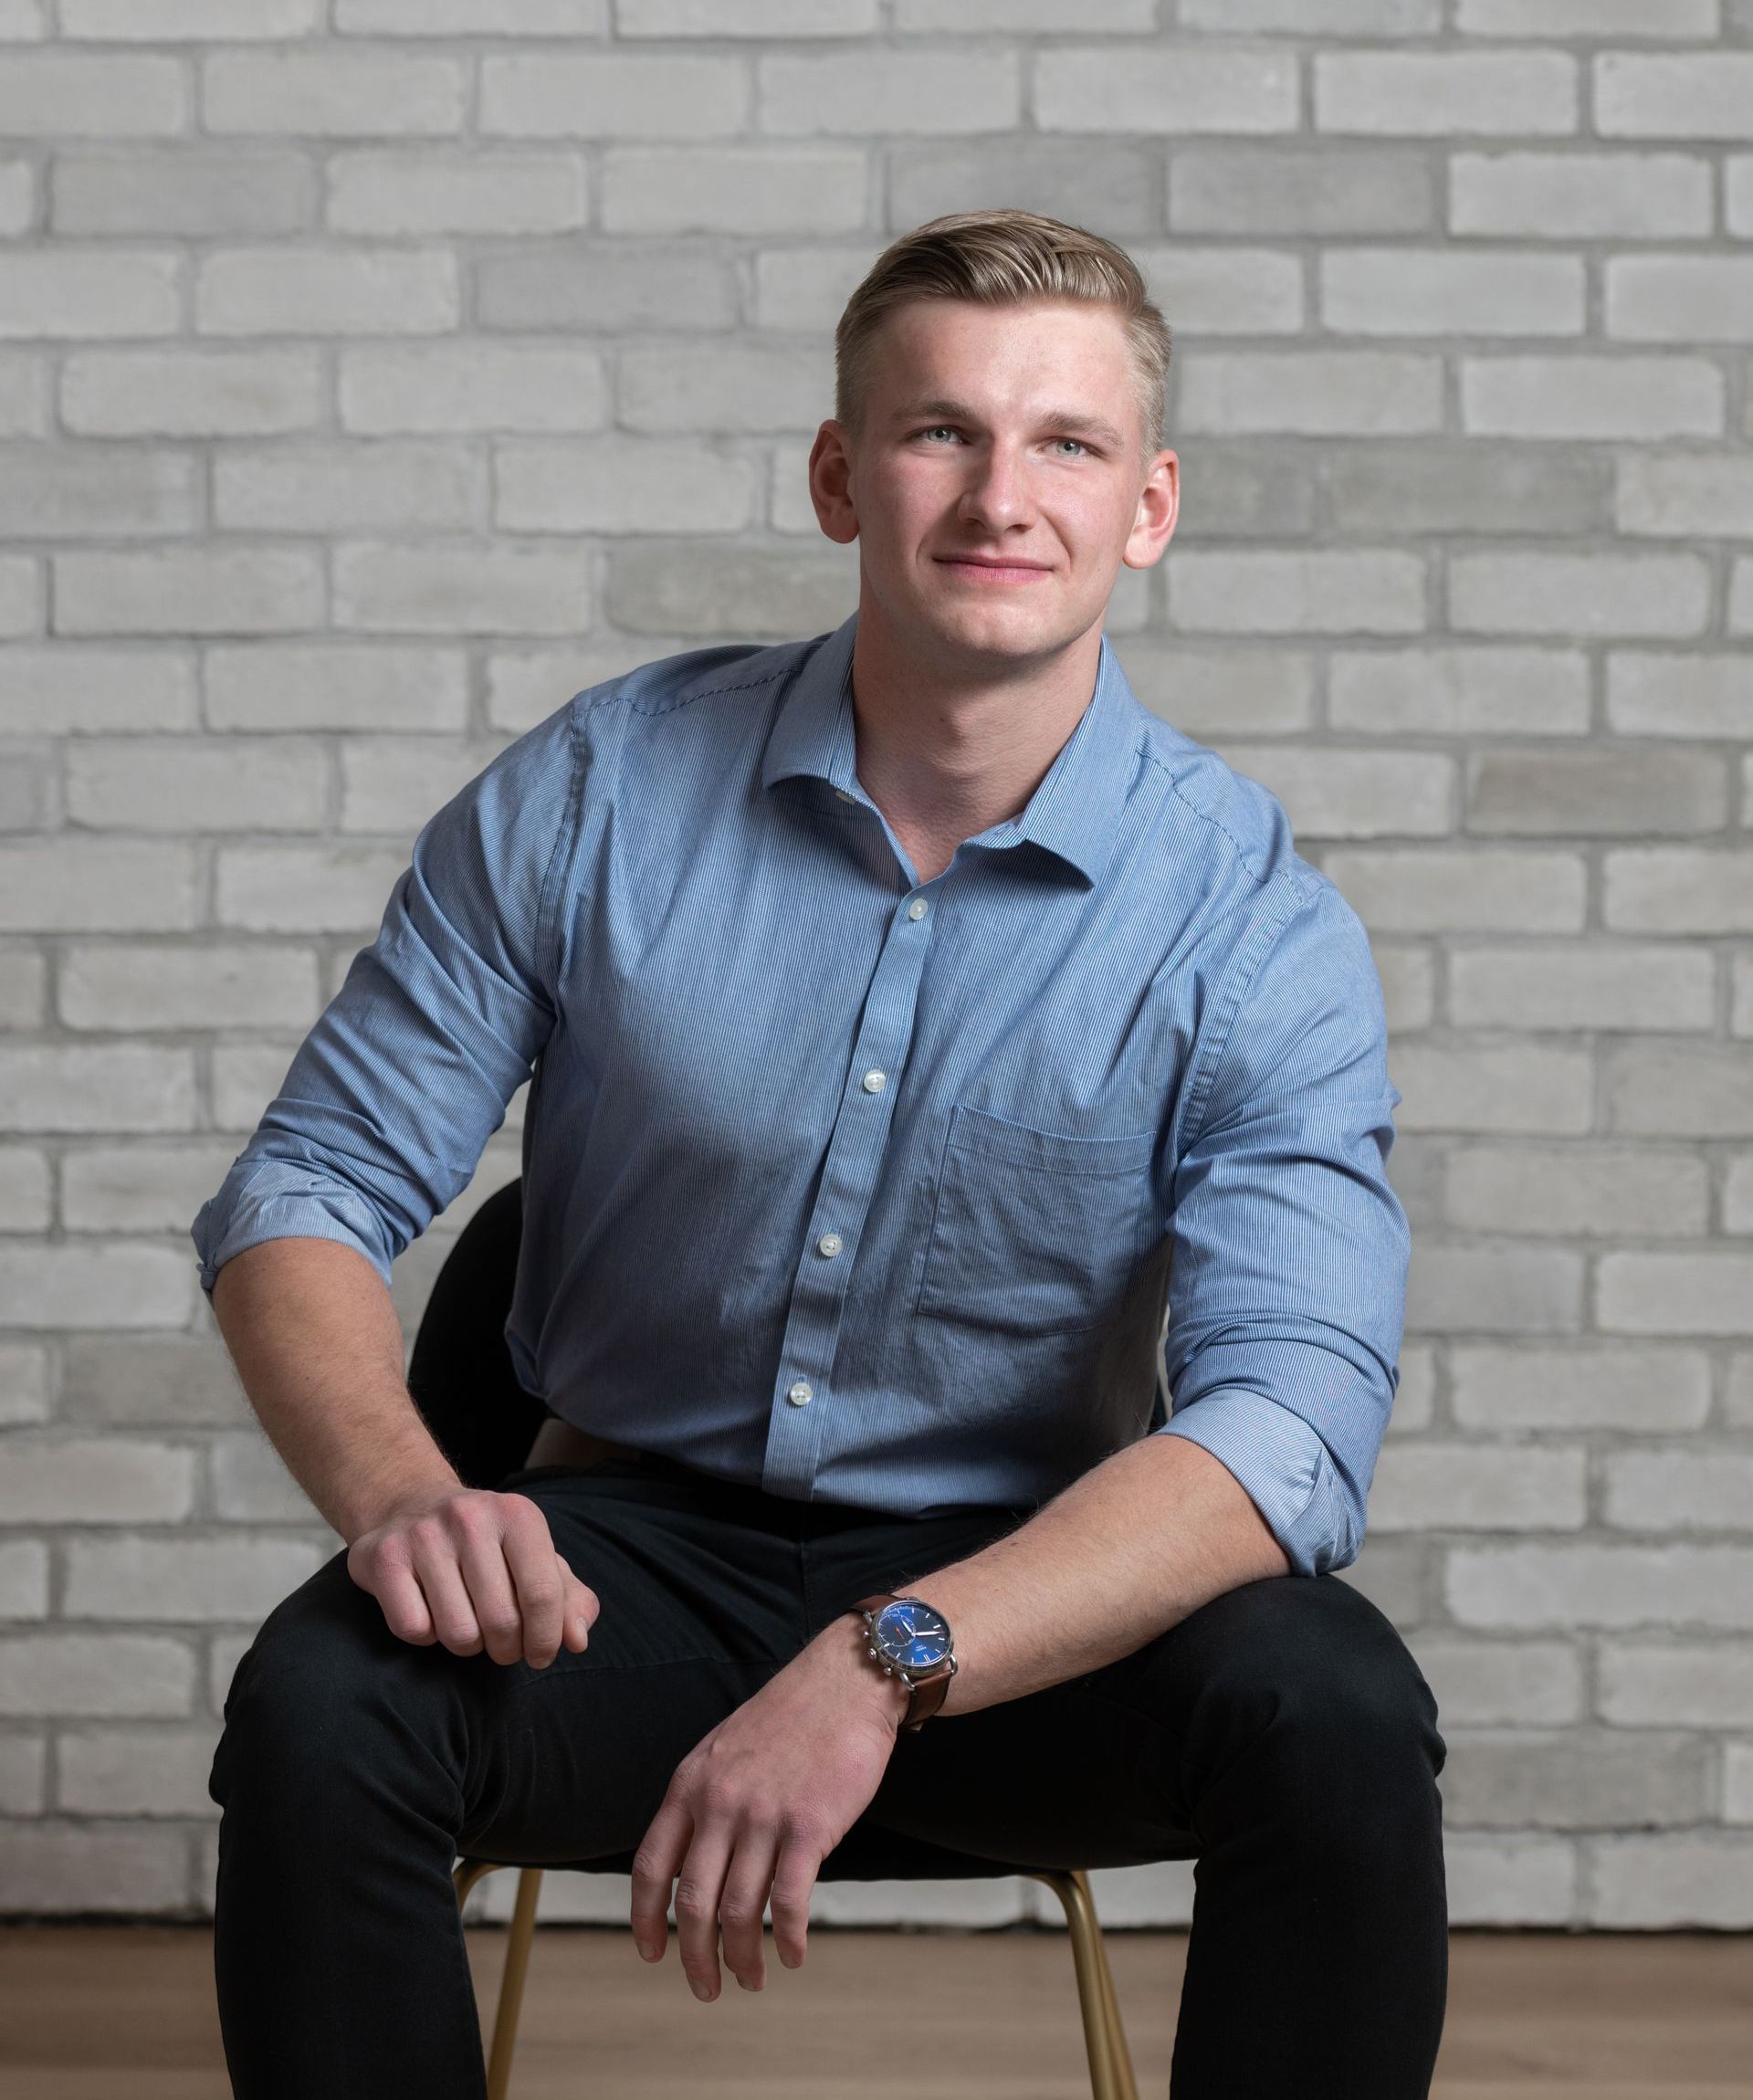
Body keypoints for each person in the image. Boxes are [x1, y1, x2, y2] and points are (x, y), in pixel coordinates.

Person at [193, 207, 1446, 2099]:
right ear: (841, 477)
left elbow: (1290, 1429)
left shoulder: (1249, 923)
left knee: (1340, 1710)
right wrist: (399, 1497)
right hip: (616, 1572)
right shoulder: (602, 789)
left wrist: (890, 1656)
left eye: (1067, 444)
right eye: (941, 432)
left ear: (1150, 506)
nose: (998, 495)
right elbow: (305, 1189)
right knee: (319, 1704)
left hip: (1019, 1603)